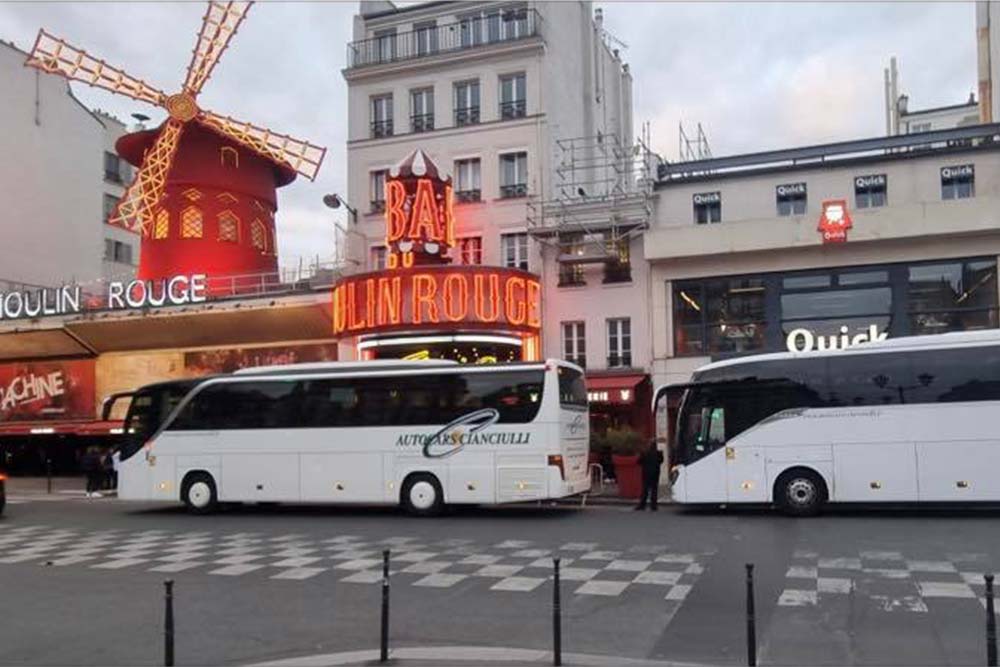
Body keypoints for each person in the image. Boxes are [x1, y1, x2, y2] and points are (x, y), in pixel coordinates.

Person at [635, 440, 664, 511]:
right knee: (654, 490)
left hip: (646, 473)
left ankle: (642, 505)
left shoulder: (644, 453)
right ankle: (653, 506)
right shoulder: (658, 453)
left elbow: (638, 462)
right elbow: (661, 461)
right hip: (655, 473)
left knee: (645, 489)